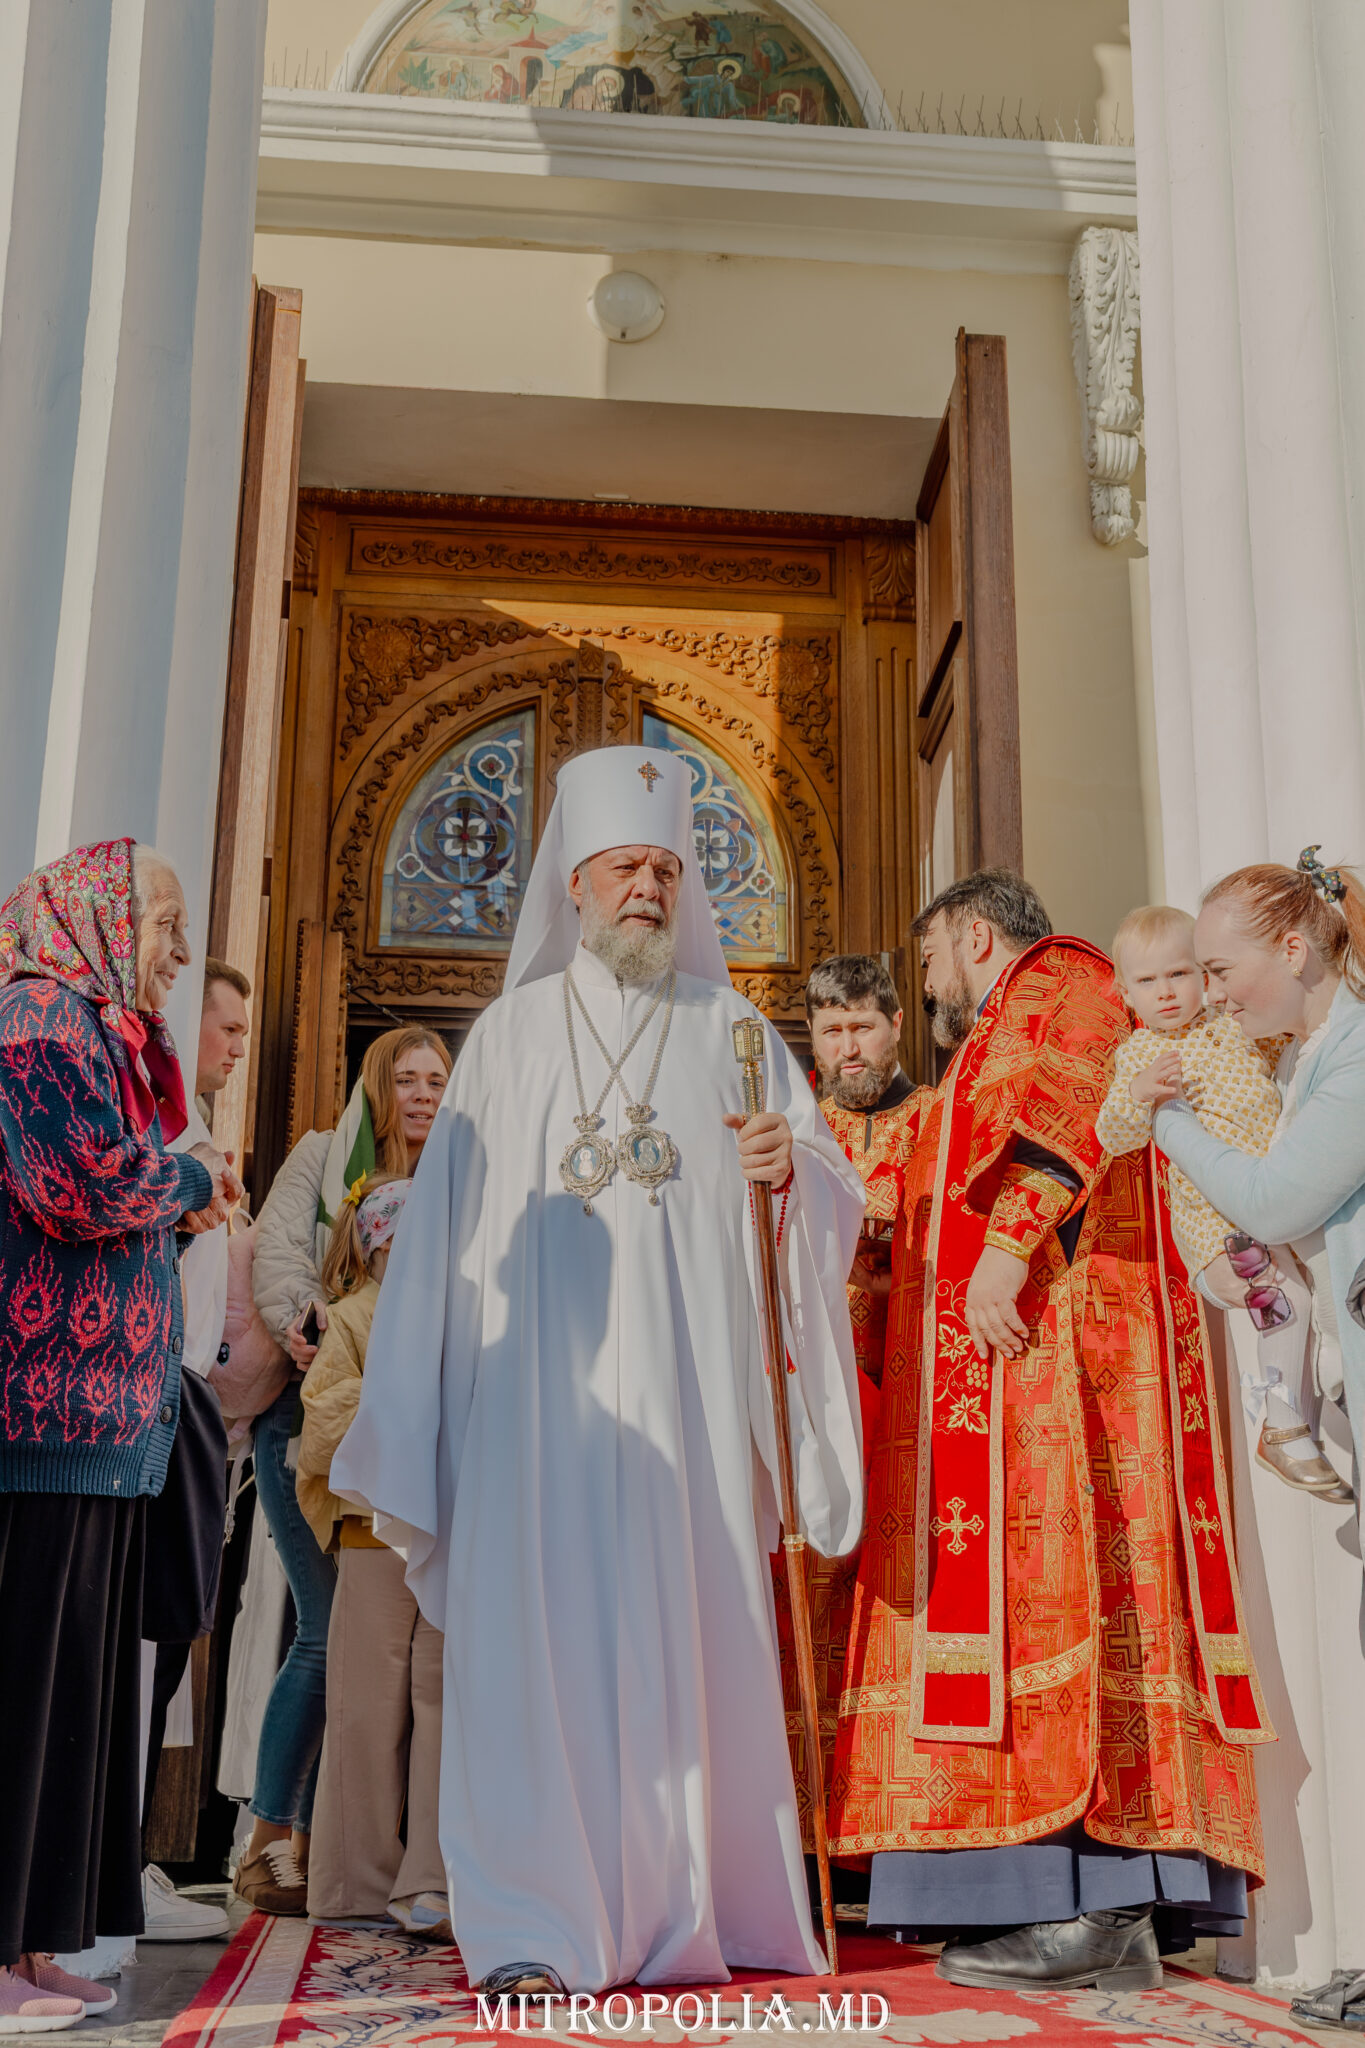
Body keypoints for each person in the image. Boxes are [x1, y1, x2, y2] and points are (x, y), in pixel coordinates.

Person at [331, 744, 866, 1995]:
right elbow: (443, 1239)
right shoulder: (508, 1037)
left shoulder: (736, 1031)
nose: (648, 888)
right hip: (537, 1416)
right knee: (539, 1655)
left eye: (667, 870)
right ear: (573, 881)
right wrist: (417, 1407)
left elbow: (823, 1192)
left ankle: (698, 1904)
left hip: (687, 1411)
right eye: (627, 866)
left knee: (690, 1648)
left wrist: (791, 1173)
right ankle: (534, 1918)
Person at [830, 868, 1271, 1994]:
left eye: (932, 954)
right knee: (1039, 1612)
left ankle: (1096, 1904)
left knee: (1070, 1601)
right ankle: (1083, 1907)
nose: (929, 979)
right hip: (1011, 1375)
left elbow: (1066, 1110)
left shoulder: (1059, 978)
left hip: (1059, 1362)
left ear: (975, 934)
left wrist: (1006, 1246)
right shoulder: (997, 1024)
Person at [0, 840, 238, 2031]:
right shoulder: (38, 1017)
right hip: (39, 1421)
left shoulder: (94, 1030)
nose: (181, 950)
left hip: (98, 1425)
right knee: (19, 1697)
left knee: (72, 1707)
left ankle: (34, 1941)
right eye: (164, 921)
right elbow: (76, 1185)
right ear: (97, 915)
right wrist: (188, 1180)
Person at [232, 1025, 451, 1915]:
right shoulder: (327, 1156)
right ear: (375, 1086)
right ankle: (274, 1843)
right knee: (333, 1643)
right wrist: (312, 1319)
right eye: (407, 1079)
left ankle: (395, 1862)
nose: (424, 1095)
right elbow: (281, 1254)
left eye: (438, 1080)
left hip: (429, 1490)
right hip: (327, 1438)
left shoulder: (468, 1170)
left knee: (424, 1681)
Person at [1095, 906, 1347, 1500]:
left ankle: (1308, 1420)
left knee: (1316, 1299)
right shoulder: (1140, 1054)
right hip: (1215, 1220)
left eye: (1179, 973)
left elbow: (1295, 1047)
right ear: (1125, 993)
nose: (1165, 992)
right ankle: (1283, 1426)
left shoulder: (1234, 1025)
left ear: (1204, 976)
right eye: (1147, 981)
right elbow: (1112, 1133)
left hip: (1277, 1194)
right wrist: (1139, 1094)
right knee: (1279, 1297)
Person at [1143, 849, 1365, 1505]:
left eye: (1219, 971)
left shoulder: (1356, 1052)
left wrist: (1166, 1119)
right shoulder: (1297, 1055)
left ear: (1293, 951)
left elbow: (1271, 1204)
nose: (1209, 995)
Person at [772, 957, 924, 1860]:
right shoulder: (798, 1132)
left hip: (907, 1405)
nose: (848, 1047)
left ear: (896, 1024)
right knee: (803, 1605)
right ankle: (803, 1835)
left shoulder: (934, 1120)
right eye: (831, 1031)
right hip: (813, 1407)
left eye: (862, 1026)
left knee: (894, 1615)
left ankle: (885, 1834)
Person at [296, 1176, 448, 1940]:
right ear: (379, 1246)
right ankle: (352, 1882)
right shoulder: (354, 1316)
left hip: (447, 1533)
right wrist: (410, 1400)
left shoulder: (462, 1320)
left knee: (444, 1704)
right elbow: (323, 1420)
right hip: (374, 1533)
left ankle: (434, 1879)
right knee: (364, 1708)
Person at [140, 960, 253, 1944]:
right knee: (142, 1645)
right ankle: (117, 1864)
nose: (237, 1045)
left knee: (172, 1637)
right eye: (227, 1026)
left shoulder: (198, 1126)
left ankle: (127, 1856)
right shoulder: (163, 1130)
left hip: (191, 1401)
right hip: (148, 1398)